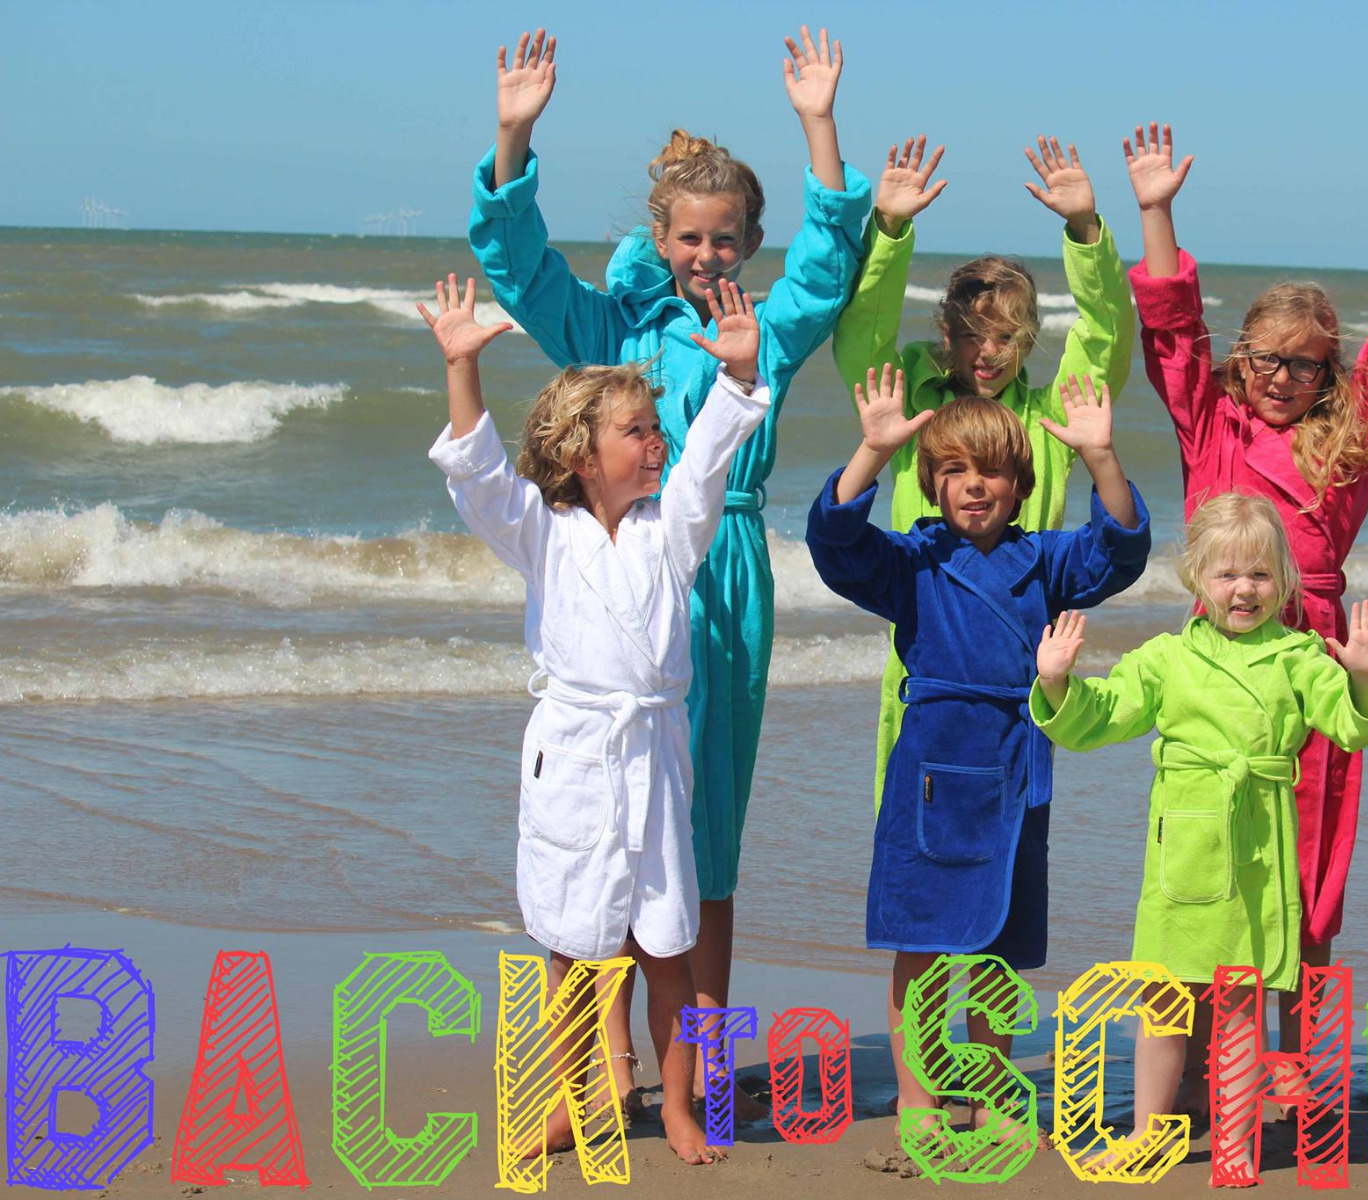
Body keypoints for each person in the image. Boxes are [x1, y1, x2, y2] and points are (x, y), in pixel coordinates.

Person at [468, 26, 873, 1110]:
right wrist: (514, 135)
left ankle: (706, 1061)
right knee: (604, 833)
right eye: (690, 238)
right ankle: (604, 1070)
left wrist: (818, 122)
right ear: (660, 238)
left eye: (727, 239)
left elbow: (830, 262)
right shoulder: (612, 331)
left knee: (705, 842)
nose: (708, 256)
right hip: (618, 575)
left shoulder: (764, 331)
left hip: (723, 575)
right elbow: (519, 267)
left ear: (749, 242)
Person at [1123, 121, 1368, 1101]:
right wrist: (1156, 212)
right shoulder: (1210, 427)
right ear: (1241, 357)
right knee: (1209, 864)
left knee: (1309, 873)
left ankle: (1299, 1061)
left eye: (1306, 366)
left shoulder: (1351, 430)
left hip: (1313, 665)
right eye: (1267, 360)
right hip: (1215, 670)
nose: (1283, 380)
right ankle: (1200, 1059)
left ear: (1328, 374)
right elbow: (1171, 333)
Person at [420, 273, 768, 1165]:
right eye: (636, 431)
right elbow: (480, 476)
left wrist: (737, 375)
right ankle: (573, 1102)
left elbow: (707, 464)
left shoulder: (670, 532)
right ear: (580, 453)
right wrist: (462, 367)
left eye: (655, 427)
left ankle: (678, 1105)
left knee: (666, 949)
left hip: (652, 756)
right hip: (573, 760)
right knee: (575, 950)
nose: (657, 442)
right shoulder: (542, 532)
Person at [807, 366, 1149, 1156]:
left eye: (991, 470)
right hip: (930, 774)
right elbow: (835, 545)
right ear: (931, 483)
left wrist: (1100, 458)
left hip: (1014, 774)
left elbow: (1121, 552)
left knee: (999, 950)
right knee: (922, 943)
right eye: (954, 469)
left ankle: (994, 1093)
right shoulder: (913, 563)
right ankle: (919, 1098)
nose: (972, 485)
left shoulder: (1045, 562)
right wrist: (870, 452)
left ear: (1020, 485)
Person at [1031, 492, 1368, 1177]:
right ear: (1195, 575)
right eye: (1226, 574)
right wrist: (1057, 683)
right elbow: (1101, 716)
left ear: (1284, 579)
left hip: (1258, 848)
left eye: (1260, 574)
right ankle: (1149, 1132)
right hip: (1184, 847)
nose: (1243, 589)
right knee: (1162, 998)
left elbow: (1351, 726)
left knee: (1239, 1001)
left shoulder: (1299, 656)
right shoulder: (1166, 657)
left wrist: (1365, 678)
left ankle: (1235, 1142)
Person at [831, 134, 1135, 809]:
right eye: (972, 334)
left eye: (1006, 336)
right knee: (908, 819)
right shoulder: (913, 407)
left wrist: (1085, 232)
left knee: (1013, 829)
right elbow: (862, 336)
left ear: (1029, 337)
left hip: (1019, 657)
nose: (988, 352)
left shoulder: (1052, 420)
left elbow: (1107, 337)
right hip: (923, 649)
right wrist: (890, 231)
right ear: (947, 333)